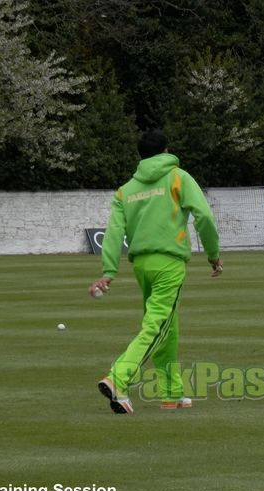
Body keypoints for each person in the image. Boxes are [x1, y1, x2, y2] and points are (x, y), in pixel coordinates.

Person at [90, 129, 223, 413]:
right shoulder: (178, 177)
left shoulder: (125, 190)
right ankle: (118, 377)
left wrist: (108, 272)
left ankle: (172, 392)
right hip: (169, 263)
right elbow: (205, 217)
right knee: (156, 327)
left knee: (167, 326)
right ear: (166, 150)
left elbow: (113, 233)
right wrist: (213, 255)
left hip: (141, 265)